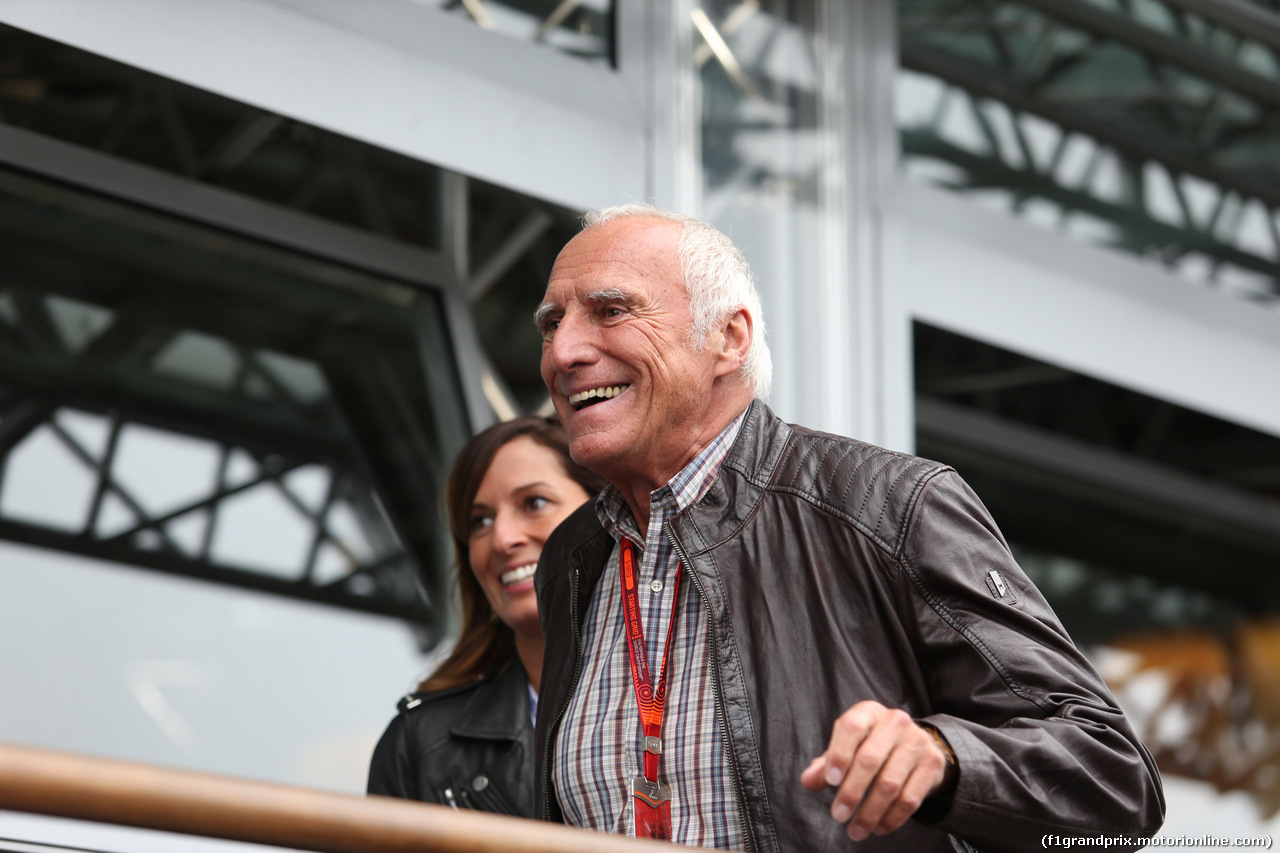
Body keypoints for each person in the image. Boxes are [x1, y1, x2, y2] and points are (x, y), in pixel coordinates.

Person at [531, 204, 1165, 851]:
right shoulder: (572, 557)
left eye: (610, 311)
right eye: (551, 324)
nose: (563, 351)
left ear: (729, 337)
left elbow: (1114, 781)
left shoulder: (889, 505)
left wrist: (944, 758)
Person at [367, 415, 603, 816]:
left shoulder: (703, 694)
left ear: (607, 513)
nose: (502, 538)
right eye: (480, 521)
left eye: (535, 503)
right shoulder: (417, 746)